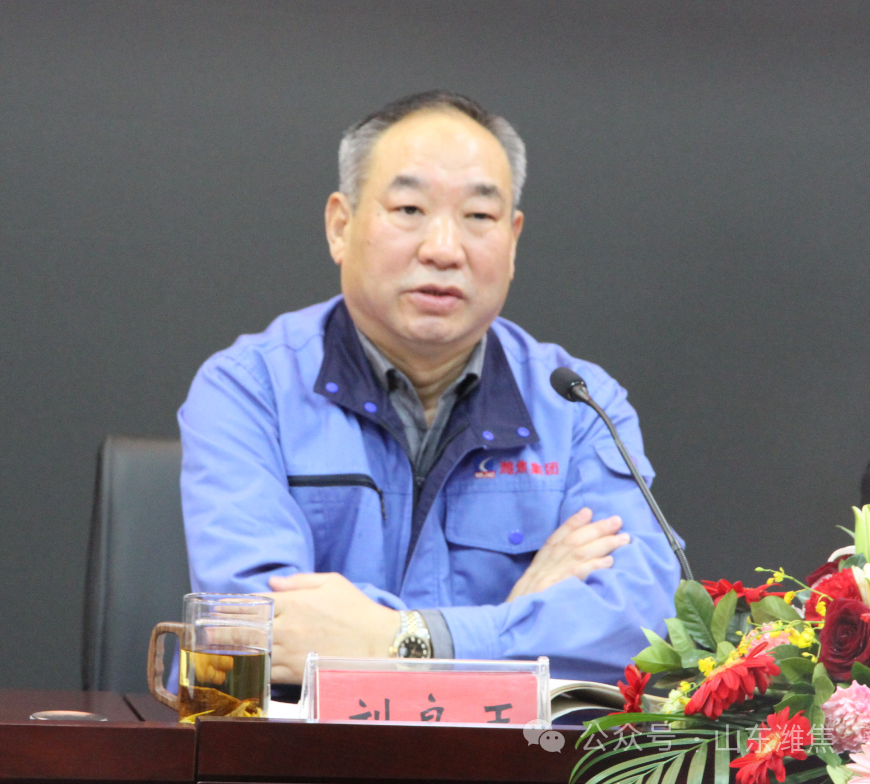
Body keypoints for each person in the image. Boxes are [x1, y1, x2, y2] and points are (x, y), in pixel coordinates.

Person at [179, 91, 682, 687]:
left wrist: (404, 640)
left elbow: (643, 618)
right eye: (410, 209)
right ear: (341, 226)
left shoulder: (576, 405)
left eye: (479, 217)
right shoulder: (249, 389)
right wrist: (514, 620)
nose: (443, 249)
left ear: (513, 241)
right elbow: (259, 625)